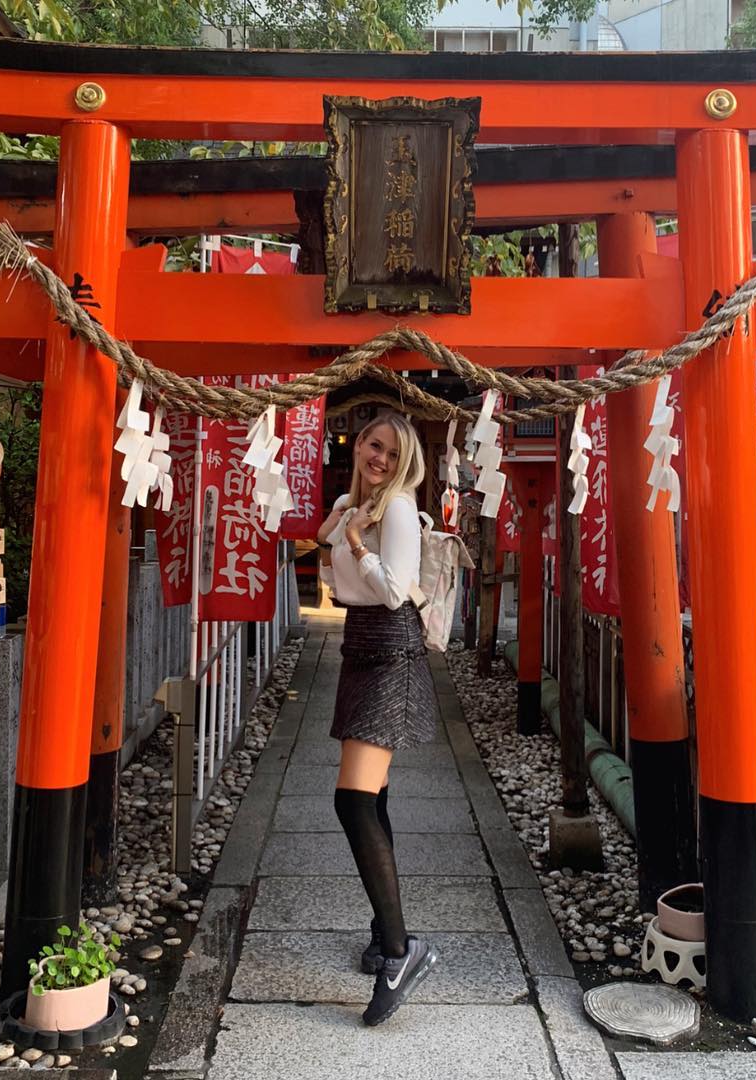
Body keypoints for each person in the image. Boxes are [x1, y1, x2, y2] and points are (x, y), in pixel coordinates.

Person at [316, 411, 439, 1027]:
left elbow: (395, 590)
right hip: (360, 646)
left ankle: (401, 950)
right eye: (372, 445)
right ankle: (383, 928)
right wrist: (345, 517)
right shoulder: (354, 500)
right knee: (374, 797)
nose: (380, 459)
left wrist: (360, 540)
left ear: (406, 460)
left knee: (354, 801)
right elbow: (319, 536)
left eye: (392, 452)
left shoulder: (397, 509)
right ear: (357, 444)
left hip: (389, 647)